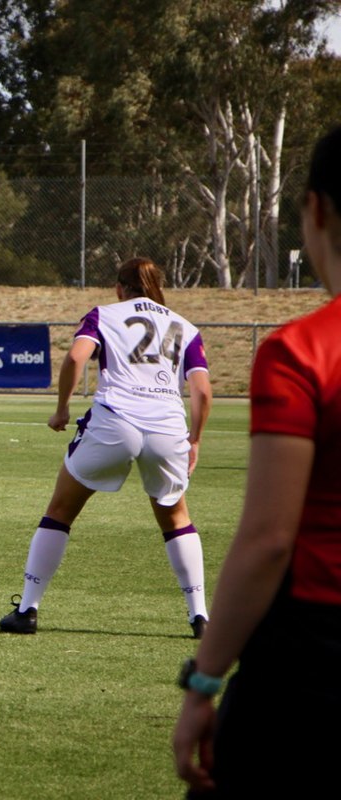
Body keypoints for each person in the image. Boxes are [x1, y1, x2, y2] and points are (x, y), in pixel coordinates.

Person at [172, 126, 341, 797]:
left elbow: (270, 539)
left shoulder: (302, 352)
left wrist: (205, 681)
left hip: (315, 658)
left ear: (315, 210)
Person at [0, 257, 213, 637]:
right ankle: (200, 617)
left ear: (119, 288)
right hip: (167, 427)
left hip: (115, 420)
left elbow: (77, 356)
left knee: (61, 510)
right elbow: (202, 390)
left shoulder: (104, 314)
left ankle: (28, 609)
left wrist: (62, 408)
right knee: (177, 518)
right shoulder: (186, 327)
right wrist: (194, 440)